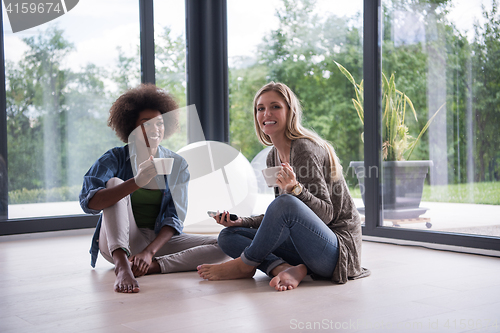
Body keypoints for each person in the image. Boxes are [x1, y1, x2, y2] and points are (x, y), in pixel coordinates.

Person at [197, 82, 369, 291]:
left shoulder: (304, 148)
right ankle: (285, 268)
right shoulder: (273, 156)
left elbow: (325, 215)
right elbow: (280, 215)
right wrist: (243, 221)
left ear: (290, 111)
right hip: (307, 248)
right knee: (229, 236)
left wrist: (296, 189)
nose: (266, 113)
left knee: (286, 202)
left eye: (275, 106)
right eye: (260, 108)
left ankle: (245, 265)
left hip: (337, 252)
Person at [80, 84, 228, 293]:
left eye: (159, 123)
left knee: (224, 245)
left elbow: (174, 217)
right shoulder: (114, 158)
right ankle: (123, 266)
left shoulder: (177, 164)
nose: (154, 129)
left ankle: (152, 266)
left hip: (157, 241)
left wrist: (149, 253)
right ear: (131, 126)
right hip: (118, 243)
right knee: (115, 183)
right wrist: (136, 182)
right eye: (145, 123)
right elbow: (90, 202)